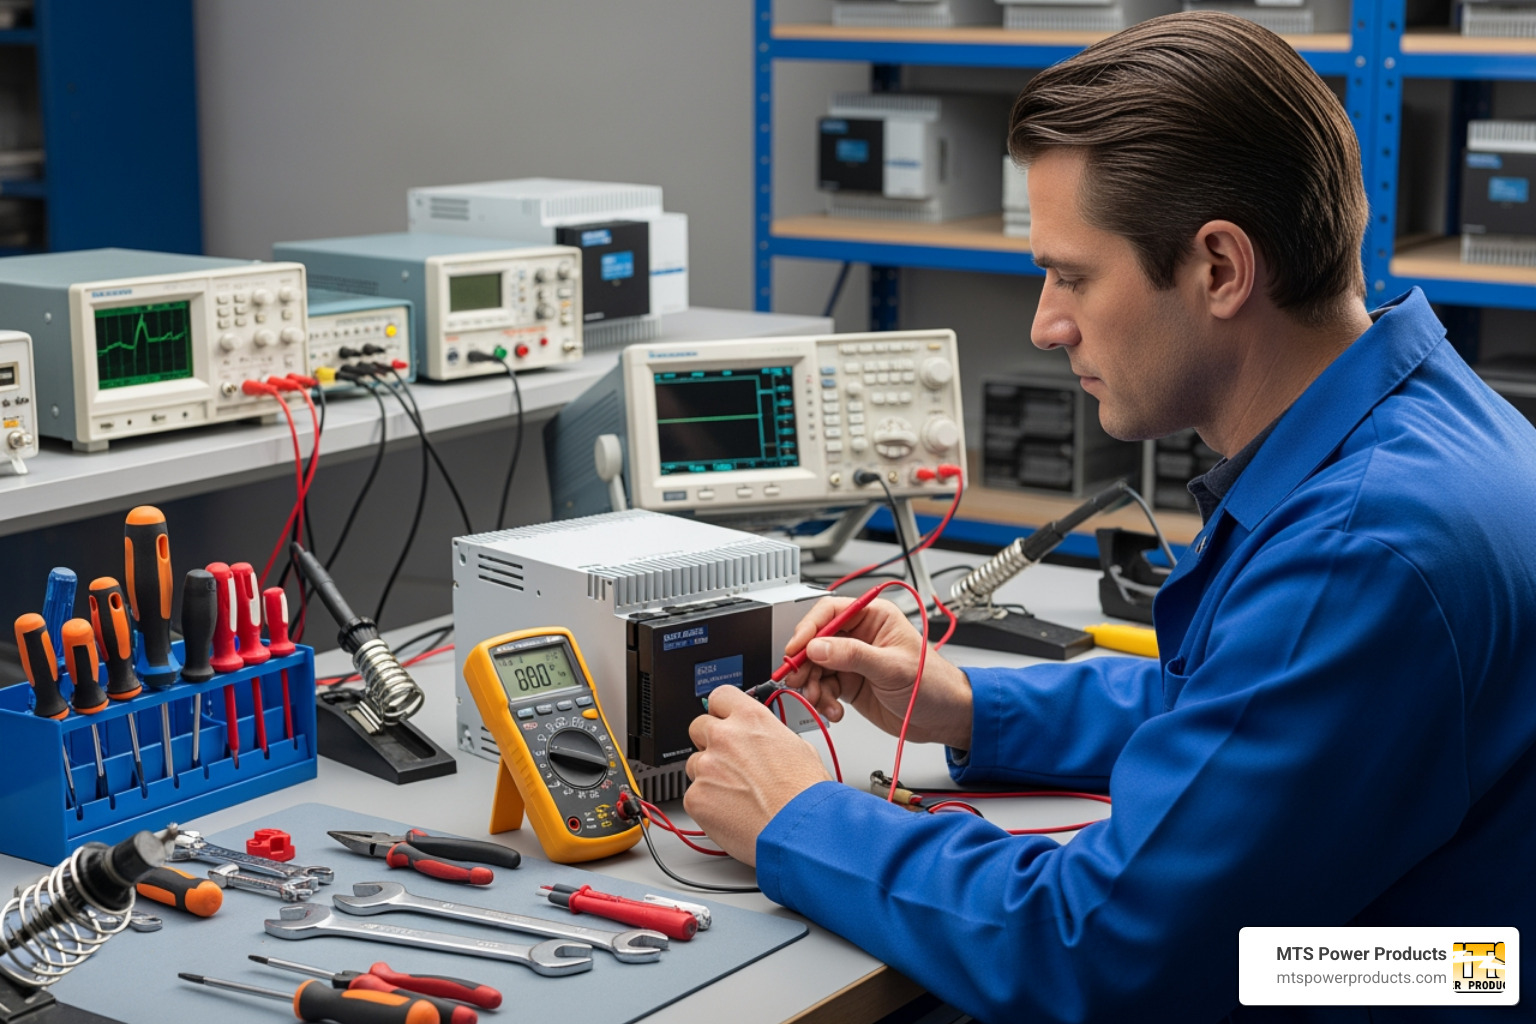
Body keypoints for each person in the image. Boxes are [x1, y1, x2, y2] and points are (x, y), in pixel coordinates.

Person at [682, 11, 1536, 1022]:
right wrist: (972, 706)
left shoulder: (1365, 549)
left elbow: (1102, 950)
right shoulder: (1426, 420)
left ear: (1220, 268)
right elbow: (1244, 709)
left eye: (1073, 274)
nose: (1047, 321)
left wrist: (800, 818)